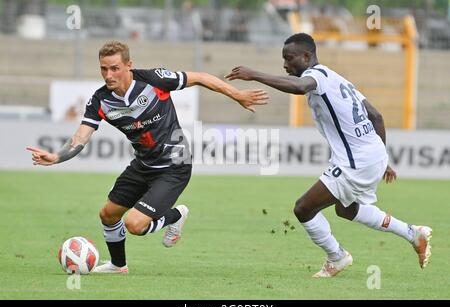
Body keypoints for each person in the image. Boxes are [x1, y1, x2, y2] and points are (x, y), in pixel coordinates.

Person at [27, 40, 268, 274]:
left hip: (174, 166)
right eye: (103, 69)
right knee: (108, 214)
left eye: (114, 68)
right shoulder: (101, 100)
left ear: (128, 65)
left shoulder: (154, 80)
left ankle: (177, 214)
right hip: (143, 165)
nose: (108, 74)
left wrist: (237, 95)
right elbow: (81, 136)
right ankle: (117, 266)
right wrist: (57, 157)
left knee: (134, 224)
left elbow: (201, 77)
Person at [226, 33, 432, 278]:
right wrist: (383, 159)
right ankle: (412, 233)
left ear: (307, 56)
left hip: (356, 161)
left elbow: (299, 87)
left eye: (289, 58)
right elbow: (376, 116)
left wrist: (255, 74)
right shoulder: (337, 78)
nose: (285, 65)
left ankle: (337, 257)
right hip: (371, 154)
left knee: (303, 208)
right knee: (346, 210)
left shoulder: (316, 77)